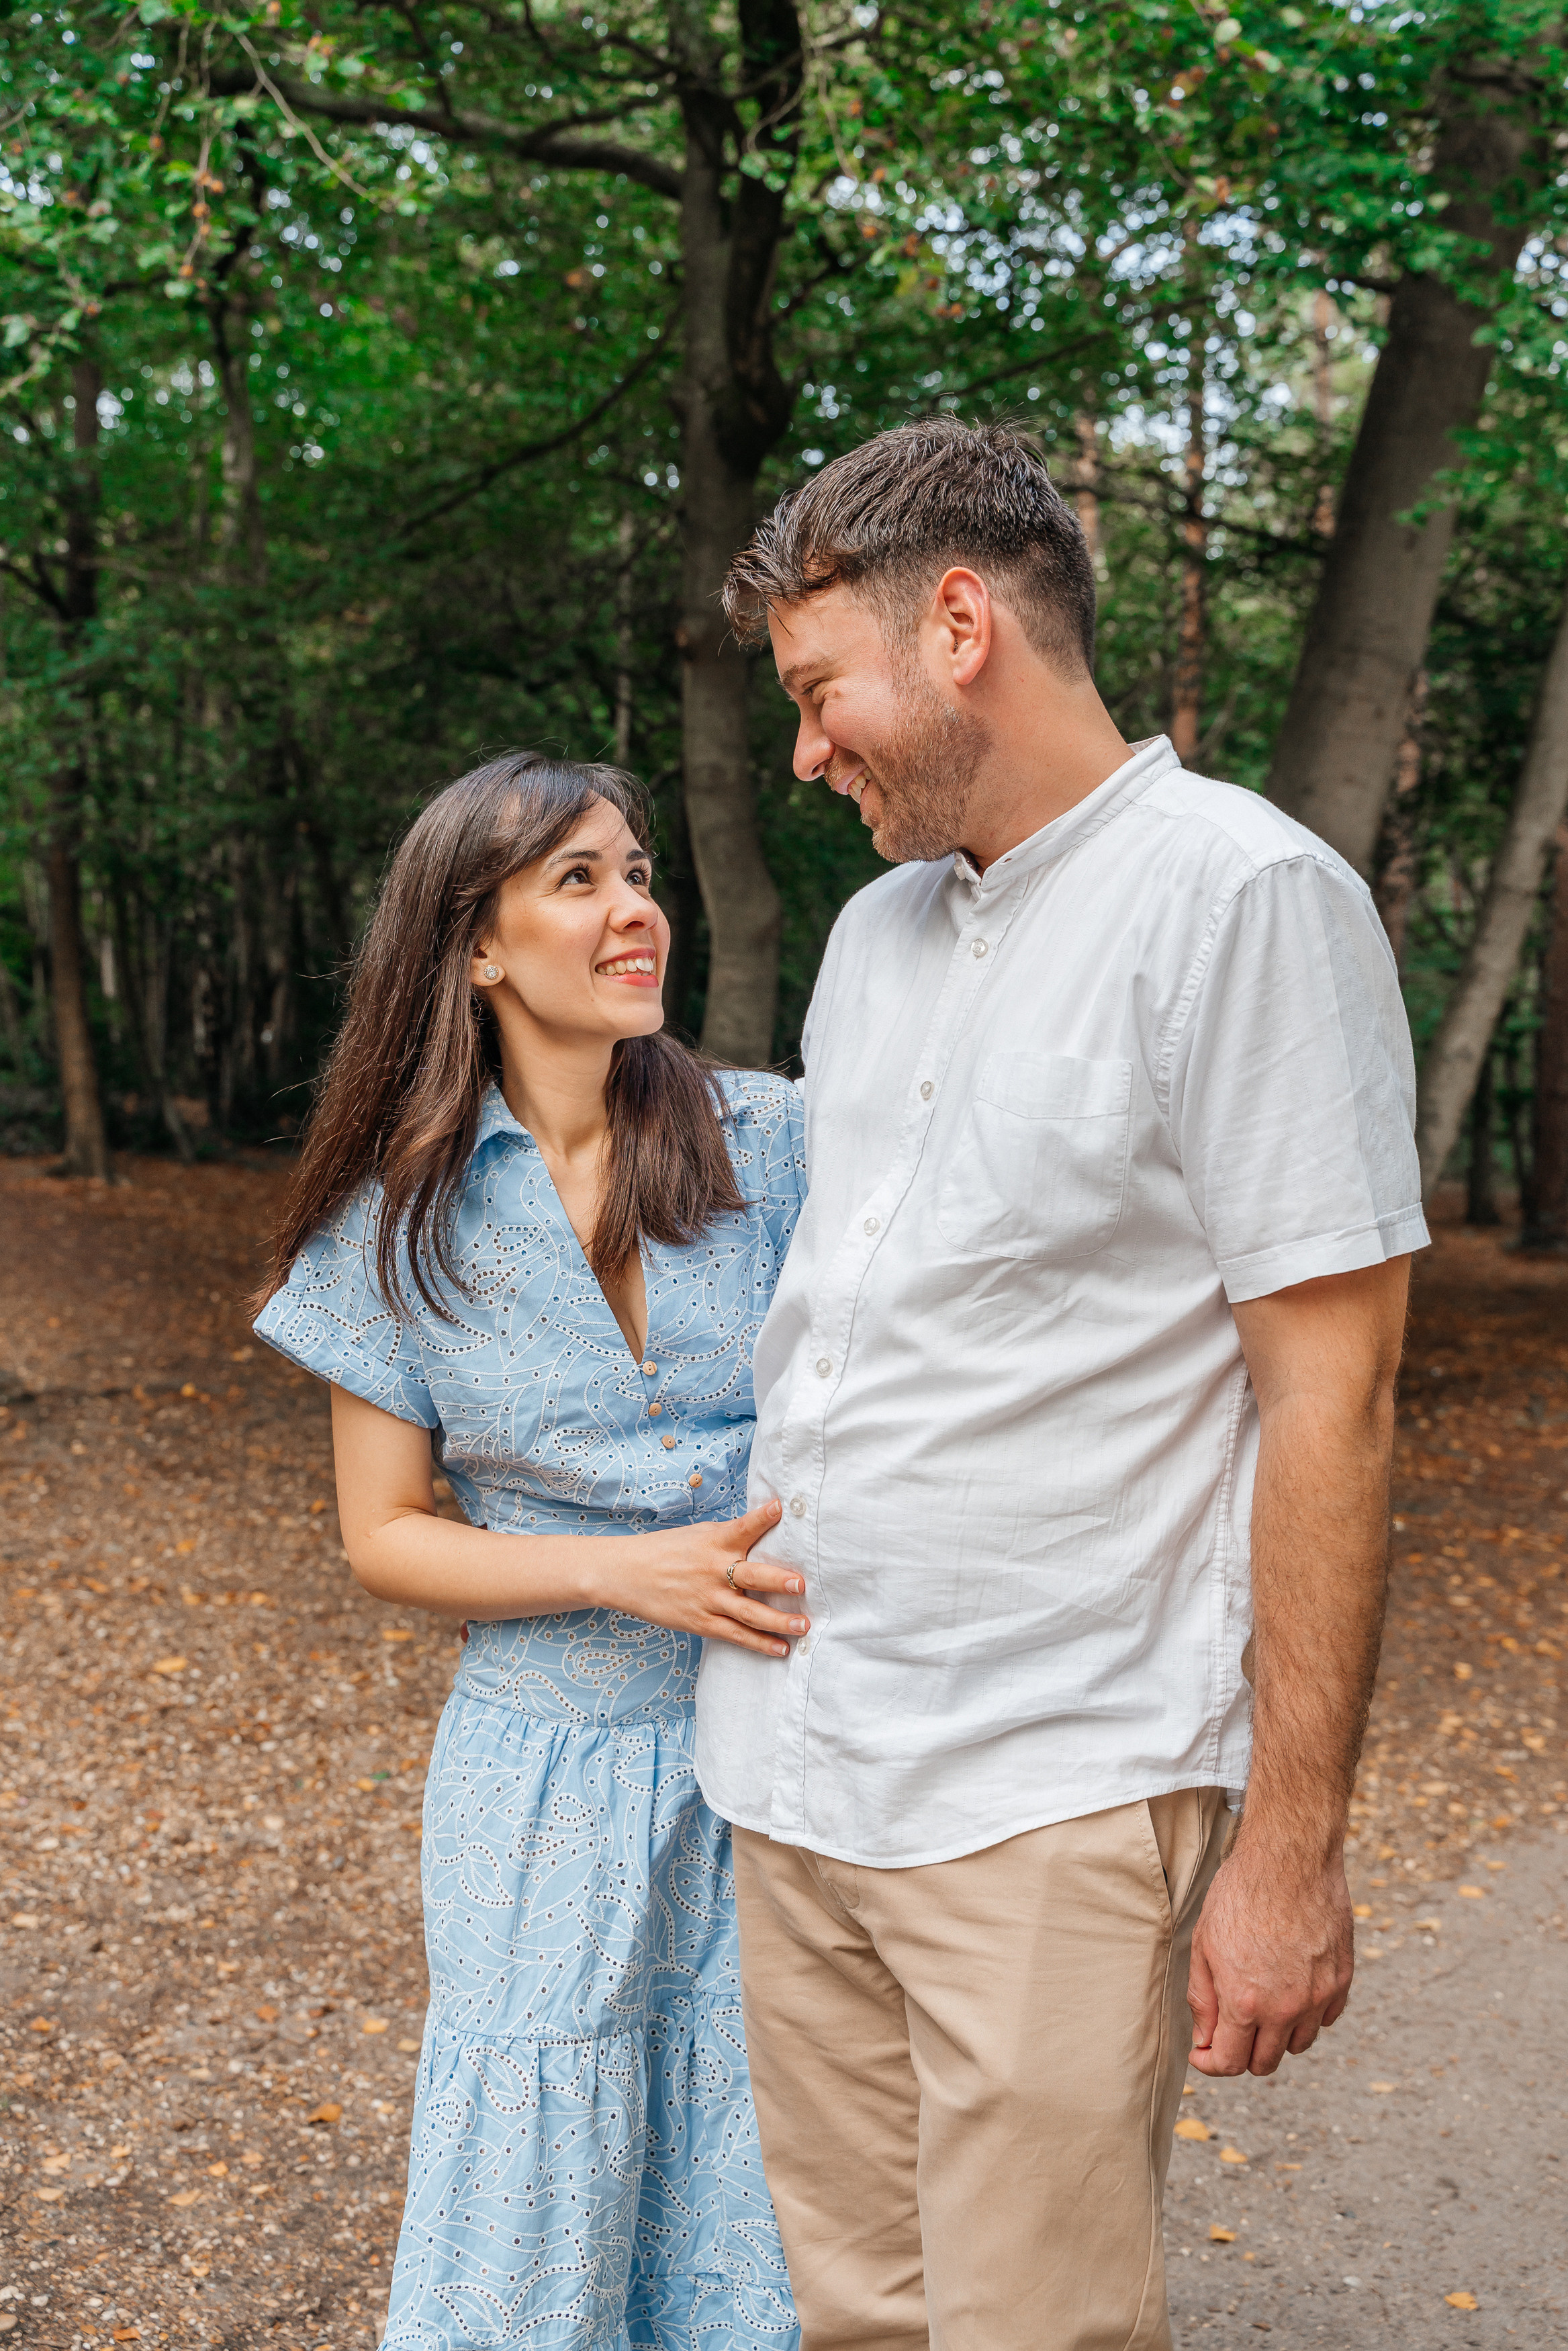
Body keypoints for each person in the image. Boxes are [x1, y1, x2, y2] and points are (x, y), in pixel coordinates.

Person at [696, 419, 1428, 2351]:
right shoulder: (872, 934)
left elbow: (1329, 1400)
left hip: (1049, 1779)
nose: (804, 750)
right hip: (791, 1763)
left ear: (958, 627)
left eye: (816, 692)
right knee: (856, 2318)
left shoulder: (1245, 903)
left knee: (1035, 2333)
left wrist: (1292, 1846)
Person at [253, 753, 803, 2351]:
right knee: (543, 2170)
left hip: (776, 1745)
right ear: (475, 945)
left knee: (753, 2169)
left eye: (636, 873)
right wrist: (613, 1570)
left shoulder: (770, 1142)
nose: (635, 911)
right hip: (542, 1773)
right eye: (578, 880)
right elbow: (383, 1537)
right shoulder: (393, 1221)